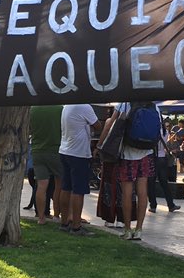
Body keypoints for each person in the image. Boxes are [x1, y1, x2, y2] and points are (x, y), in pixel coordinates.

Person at [99, 102, 156, 241]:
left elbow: (109, 125)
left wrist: (100, 145)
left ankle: (127, 229)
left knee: (127, 193)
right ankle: (139, 229)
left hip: (127, 154)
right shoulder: (152, 105)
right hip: (146, 153)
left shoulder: (124, 105)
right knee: (143, 192)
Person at [58, 103, 100, 237]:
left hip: (65, 150)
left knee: (66, 188)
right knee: (79, 190)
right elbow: (98, 125)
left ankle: (64, 222)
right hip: (79, 153)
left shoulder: (67, 106)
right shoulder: (85, 106)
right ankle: (76, 226)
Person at [29, 105, 62, 225]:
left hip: (38, 150)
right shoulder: (60, 109)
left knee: (41, 185)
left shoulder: (33, 109)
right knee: (60, 184)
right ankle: (57, 215)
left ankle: (41, 217)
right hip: (56, 150)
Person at [148, 115, 180, 214]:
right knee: (164, 183)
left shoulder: (152, 130)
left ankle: (153, 205)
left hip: (152, 157)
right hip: (162, 158)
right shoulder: (165, 132)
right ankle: (171, 204)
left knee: (151, 183)